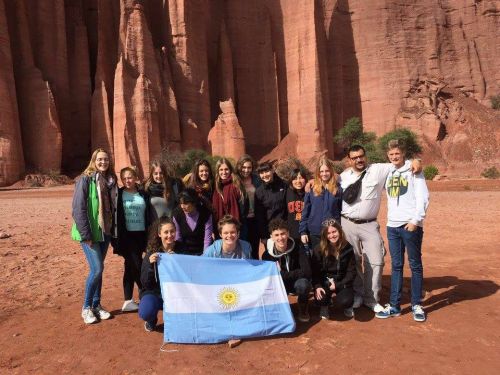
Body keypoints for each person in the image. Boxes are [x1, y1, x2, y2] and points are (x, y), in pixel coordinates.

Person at [340, 145, 421, 313]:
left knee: (376, 261)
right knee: (352, 261)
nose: (359, 160)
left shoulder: (378, 169)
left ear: (365, 156)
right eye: (354, 158)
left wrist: (416, 161)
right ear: (349, 160)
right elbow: (325, 179)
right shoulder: (343, 176)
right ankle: (358, 294)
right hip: (346, 223)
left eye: (361, 156)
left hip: (369, 224)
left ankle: (372, 298)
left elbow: (399, 162)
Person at [376, 140, 429, 322]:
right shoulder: (388, 171)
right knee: (396, 266)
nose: (394, 157)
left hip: (410, 225)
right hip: (392, 226)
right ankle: (395, 305)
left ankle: (416, 304)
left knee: (415, 264)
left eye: (397, 154)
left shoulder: (414, 171)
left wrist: (415, 220)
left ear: (403, 153)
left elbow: (423, 197)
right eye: (391, 155)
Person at [71, 148, 118, 324]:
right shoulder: (85, 179)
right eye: (99, 159)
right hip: (90, 233)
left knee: (100, 270)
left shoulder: (111, 181)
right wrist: (85, 234)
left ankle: (97, 305)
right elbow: (78, 208)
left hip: (105, 231)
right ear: (93, 161)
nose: (103, 162)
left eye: (105, 159)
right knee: (97, 269)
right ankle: (86, 308)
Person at [114, 167, 151, 312]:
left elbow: (148, 212)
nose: (127, 180)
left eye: (130, 177)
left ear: (135, 177)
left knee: (129, 266)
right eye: (124, 178)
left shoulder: (143, 193)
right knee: (138, 264)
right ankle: (145, 293)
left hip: (141, 234)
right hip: (126, 235)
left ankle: (128, 300)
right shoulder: (119, 194)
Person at [262, 218, 312, 323]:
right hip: (279, 284)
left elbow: (307, 271)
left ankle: (303, 308)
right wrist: (295, 273)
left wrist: (283, 274)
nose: (280, 238)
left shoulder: (298, 245)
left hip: (296, 282)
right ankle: (278, 310)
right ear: (271, 236)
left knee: (304, 285)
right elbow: (270, 278)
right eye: (276, 235)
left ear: (288, 233)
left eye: (283, 233)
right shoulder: (267, 255)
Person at [139, 217, 180, 332]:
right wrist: (150, 266)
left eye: (172, 231)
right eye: (166, 232)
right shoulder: (151, 253)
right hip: (155, 293)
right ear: (159, 234)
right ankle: (151, 320)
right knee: (146, 312)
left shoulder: (181, 250)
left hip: (176, 293)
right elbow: (145, 283)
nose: (169, 235)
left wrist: (177, 260)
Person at [311, 219, 356, 320]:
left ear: (340, 231)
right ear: (324, 235)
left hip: (341, 280)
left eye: (334, 231)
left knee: (346, 301)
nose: (332, 235)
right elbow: (315, 272)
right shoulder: (318, 249)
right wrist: (317, 286)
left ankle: (348, 305)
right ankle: (325, 305)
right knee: (320, 299)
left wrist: (339, 284)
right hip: (325, 281)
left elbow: (352, 271)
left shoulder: (348, 247)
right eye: (328, 233)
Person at [299, 156, 342, 251]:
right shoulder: (311, 188)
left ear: (331, 171)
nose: (324, 174)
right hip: (315, 232)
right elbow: (305, 211)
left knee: (332, 262)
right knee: (317, 262)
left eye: (327, 171)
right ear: (318, 173)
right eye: (321, 171)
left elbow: (340, 210)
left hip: (332, 233)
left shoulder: (338, 189)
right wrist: (303, 231)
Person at [172, 188, 213, 255]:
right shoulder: (177, 214)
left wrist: (205, 256)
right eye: (181, 203)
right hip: (184, 252)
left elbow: (207, 239)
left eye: (185, 203)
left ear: (194, 202)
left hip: (202, 251)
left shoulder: (206, 214)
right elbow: (178, 238)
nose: (182, 206)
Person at [236, 154, 261, 259]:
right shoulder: (235, 180)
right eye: (244, 167)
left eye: (249, 167)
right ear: (239, 167)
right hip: (242, 220)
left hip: (255, 219)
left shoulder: (256, 179)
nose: (246, 170)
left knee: (254, 248)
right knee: (243, 249)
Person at [255, 162, 287, 243]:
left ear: (272, 170)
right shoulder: (259, 192)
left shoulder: (283, 185)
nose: (265, 175)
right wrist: (264, 236)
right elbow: (259, 216)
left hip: (284, 229)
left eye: (267, 171)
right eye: (261, 173)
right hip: (269, 231)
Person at [212, 158, 247, 226]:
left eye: (226, 169)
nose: (224, 172)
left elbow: (244, 205)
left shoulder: (236, 184)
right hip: (220, 227)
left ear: (230, 170)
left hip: (237, 225)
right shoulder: (216, 186)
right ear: (218, 171)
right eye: (221, 170)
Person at [286, 167, 309, 255]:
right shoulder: (287, 191)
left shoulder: (309, 191)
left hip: (307, 232)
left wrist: (311, 182)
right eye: (295, 178)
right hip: (292, 233)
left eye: (301, 178)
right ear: (291, 180)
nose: (298, 181)